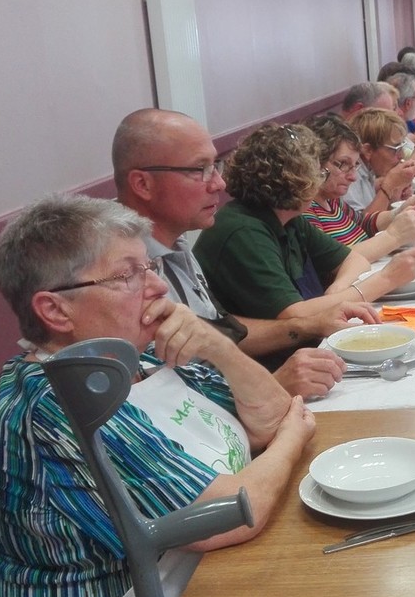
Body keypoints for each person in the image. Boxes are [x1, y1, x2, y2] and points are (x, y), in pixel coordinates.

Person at [0, 193, 410, 597]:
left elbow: (270, 416)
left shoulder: (140, 355)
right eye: (127, 275)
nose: (157, 287)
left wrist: (218, 346)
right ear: (54, 310)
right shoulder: (60, 401)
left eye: (150, 267)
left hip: (194, 590)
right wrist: (291, 441)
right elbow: (224, 515)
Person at [113, 108, 367, 395]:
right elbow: (167, 402)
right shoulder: (119, 275)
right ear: (143, 184)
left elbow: (223, 333)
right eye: (199, 170)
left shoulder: (177, 245)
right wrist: (274, 385)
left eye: (215, 166)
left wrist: (309, 326)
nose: (219, 183)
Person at [194, 123, 415, 323]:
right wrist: (386, 279)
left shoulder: (289, 218)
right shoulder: (244, 231)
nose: (318, 183)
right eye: (317, 174)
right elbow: (294, 315)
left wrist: (338, 290)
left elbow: (355, 259)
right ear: (293, 180)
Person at [303, 113, 415, 260]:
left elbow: (363, 222)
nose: (353, 177)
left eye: (355, 165)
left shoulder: (332, 200)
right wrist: (394, 236)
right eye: (343, 164)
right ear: (315, 162)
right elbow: (330, 261)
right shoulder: (307, 211)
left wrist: (403, 210)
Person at [344, 108, 415, 217]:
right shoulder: (350, 175)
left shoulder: (370, 168)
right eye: (395, 149)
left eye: (402, 147)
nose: (401, 155)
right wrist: (389, 184)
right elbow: (360, 225)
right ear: (368, 150)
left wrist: (397, 195)